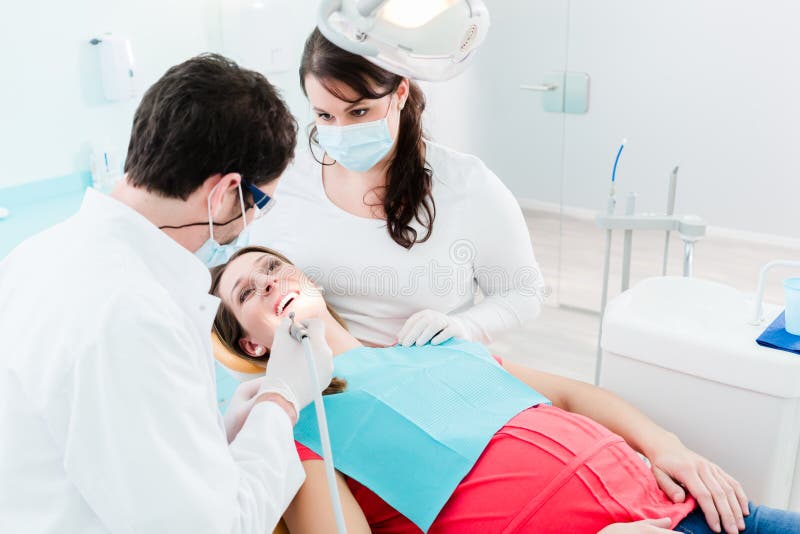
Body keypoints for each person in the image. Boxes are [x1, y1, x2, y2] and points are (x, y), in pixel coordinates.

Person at [210, 245, 800, 534]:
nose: (267, 284)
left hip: (688, 504)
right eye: (246, 293)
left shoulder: (431, 342)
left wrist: (669, 446)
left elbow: (570, 397)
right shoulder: (302, 433)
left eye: (272, 269)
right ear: (253, 346)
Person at [0, 55, 334, 533]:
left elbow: (114, 458)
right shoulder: (132, 315)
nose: (256, 222)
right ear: (225, 194)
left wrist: (215, 437)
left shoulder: (33, 257)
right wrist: (280, 400)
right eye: (258, 203)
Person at [249, 28, 544, 348]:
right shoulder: (289, 181)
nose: (342, 131)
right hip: (323, 380)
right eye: (325, 115)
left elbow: (523, 293)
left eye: (359, 111)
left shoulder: (466, 184)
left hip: (431, 374)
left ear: (400, 93)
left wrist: (464, 326)